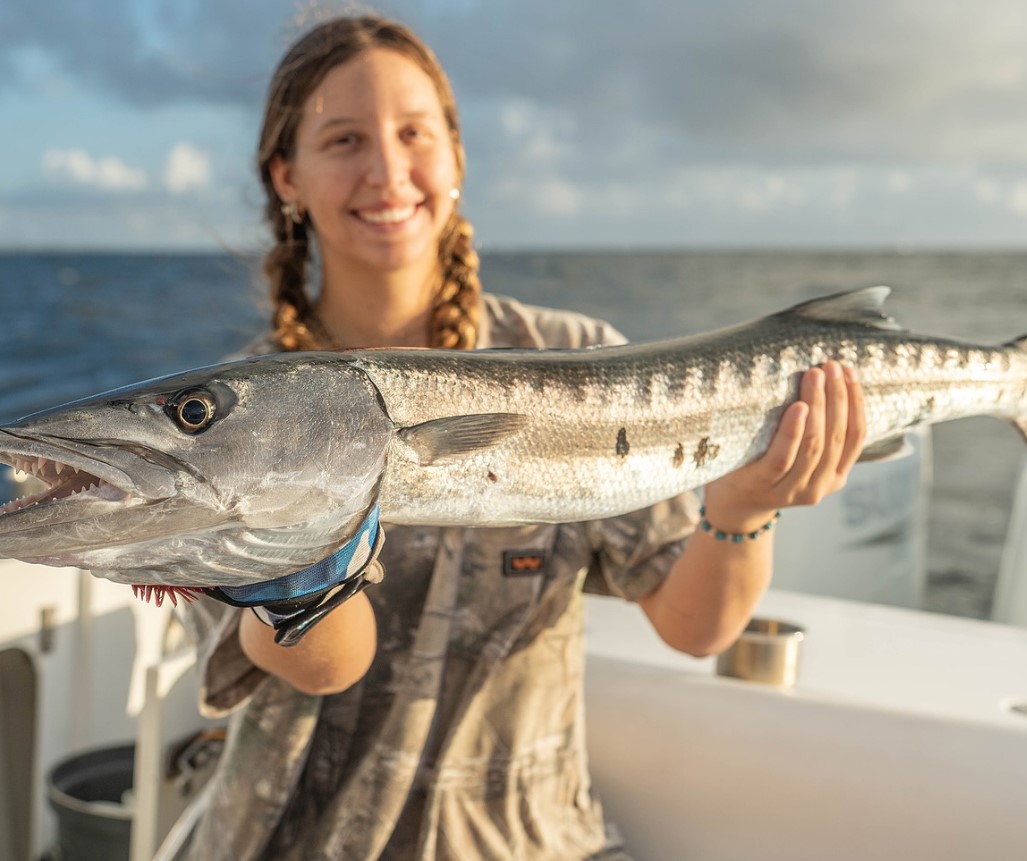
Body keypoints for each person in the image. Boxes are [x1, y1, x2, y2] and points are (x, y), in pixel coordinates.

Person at [180, 14, 866, 861]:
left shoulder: (576, 359)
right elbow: (325, 664)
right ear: (287, 178)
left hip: (525, 840)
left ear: (457, 157)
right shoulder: (222, 420)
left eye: (412, 133)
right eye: (345, 139)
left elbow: (695, 626)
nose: (386, 170)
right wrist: (301, 557)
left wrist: (744, 505)